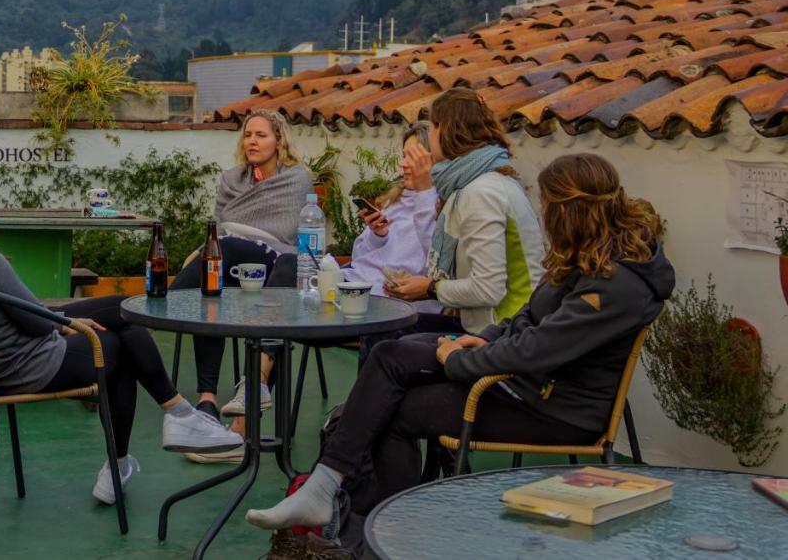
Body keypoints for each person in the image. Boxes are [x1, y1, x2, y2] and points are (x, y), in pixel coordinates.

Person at [245, 153, 675, 531]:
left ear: (569, 212)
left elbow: (537, 349)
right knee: (389, 353)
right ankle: (331, 494)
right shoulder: (588, 256)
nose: (543, 215)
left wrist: (461, 361)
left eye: (547, 206)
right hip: (523, 383)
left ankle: (385, 529)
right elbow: (527, 318)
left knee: (394, 412)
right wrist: (480, 339)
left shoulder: (616, 284)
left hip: (552, 408)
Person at [0, 159, 243, 505]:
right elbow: (37, 323)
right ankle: (157, 434)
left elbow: (19, 314)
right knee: (119, 345)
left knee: (121, 309)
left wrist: (63, 319)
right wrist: (64, 324)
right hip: (22, 366)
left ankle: (175, 418)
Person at [168, 109, 313, 455]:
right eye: (248, 135)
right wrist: (206, 248)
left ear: (279, 141)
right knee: (211, 290)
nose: (252, 141)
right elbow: (219, 225)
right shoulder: (231, 179)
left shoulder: (296, 180)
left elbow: (285, 233)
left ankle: (172, 299)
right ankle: (207, 401)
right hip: (229, 262)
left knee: (217, 261)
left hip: (272, 263)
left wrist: (218, 244)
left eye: (261, 135)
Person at [386, 87, 544, 335]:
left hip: (504, 332)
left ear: (446, 131)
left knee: (388, 351)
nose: (431, 135)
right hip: (485, 325)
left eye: (433, 127)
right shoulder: (471, 184)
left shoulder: (481, 192)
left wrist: (431, 288)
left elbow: (487, 289)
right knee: (389, 327)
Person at [342, 123, 437, 306]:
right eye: (403, 156)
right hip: (354, 282)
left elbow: (435, 262)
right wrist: (378, 235)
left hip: (381, 298)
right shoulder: (396, 200)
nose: (403, 164)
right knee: (290, 267)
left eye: (412, 157)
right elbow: (358, 258)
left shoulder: (441, 205)